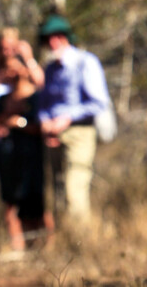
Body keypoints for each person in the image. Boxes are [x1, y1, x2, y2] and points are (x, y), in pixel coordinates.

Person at [37, 14, 111, 228]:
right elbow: (44, 104)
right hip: (53, 136)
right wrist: (46, 123)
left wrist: (67, 118)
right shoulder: (49, 68)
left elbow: (99, 102)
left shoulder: (85, 62)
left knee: (74, 188)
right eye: (48, 38)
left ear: (66, 37)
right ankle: (64, 239)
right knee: (57, 190)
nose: (53, 42)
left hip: (80, 133)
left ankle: (81, 242)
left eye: (57, 37)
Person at [0, 57, 54, 251]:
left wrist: (20, 123)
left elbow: (41, 126)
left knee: (36, 203)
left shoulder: (36, 97)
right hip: (7, 157)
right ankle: (19, 249)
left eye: (15, 69)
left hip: (31, 157)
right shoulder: (1, 99)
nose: (12, 74)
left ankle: (46, 248)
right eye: (7, 69)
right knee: (11, 203)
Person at [0, 28, 45, 114]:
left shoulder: (24, 71)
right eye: (3, 48)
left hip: (22, 121)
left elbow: (40, 82)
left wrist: (29, 57)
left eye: (12, 49)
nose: (7, 53)